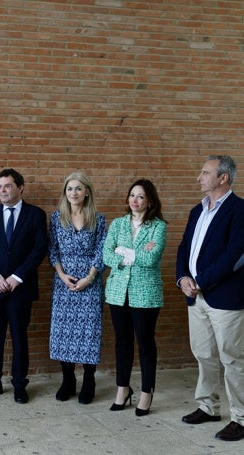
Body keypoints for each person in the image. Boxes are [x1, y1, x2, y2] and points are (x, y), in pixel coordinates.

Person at [176, 155, 244, 442]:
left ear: (223, 178)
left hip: (225, 297)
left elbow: (234, 256)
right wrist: (182, 278)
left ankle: (240, 417)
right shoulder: (197, 210)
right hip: (196, 296)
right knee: (204, 354)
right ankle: (208, 406)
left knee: (232, 359)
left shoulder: (239, 210)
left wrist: (200, 281)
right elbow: (184, 248)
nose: (199, 177)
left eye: (205, 173)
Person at [0, 168, 48, 404]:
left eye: (7, 186)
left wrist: (17, 276)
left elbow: (39, 249)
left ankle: (19, 384)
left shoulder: (35, 215)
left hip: (20, 289)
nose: (2, 191)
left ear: (20, 188)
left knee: (19, 336)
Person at [103, 179, 167, 416]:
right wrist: (131, 254)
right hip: (118, 292)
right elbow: (106, 255)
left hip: (146, 293)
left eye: (140, 196)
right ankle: (123, 389)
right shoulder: (118, 224)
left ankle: (146, 393)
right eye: (132, 195)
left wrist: (123, 252)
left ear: (149, 201)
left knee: (145, 343)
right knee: (123, 343)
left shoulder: (157, 227)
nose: (134, 200)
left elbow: (150, 260)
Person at [48, 172, 106, 404]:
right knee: (64, 333)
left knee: (89, 332)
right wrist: (62, 275)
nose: (73, 193)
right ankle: (68, 380)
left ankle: (89, 380)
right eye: (70, 188)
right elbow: (52, 249)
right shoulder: (56, 218)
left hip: (89, 283)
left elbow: (102, 250)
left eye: (78, 189)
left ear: (87, 192)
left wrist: (90, 277)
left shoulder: (98, 219)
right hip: (64, 284)